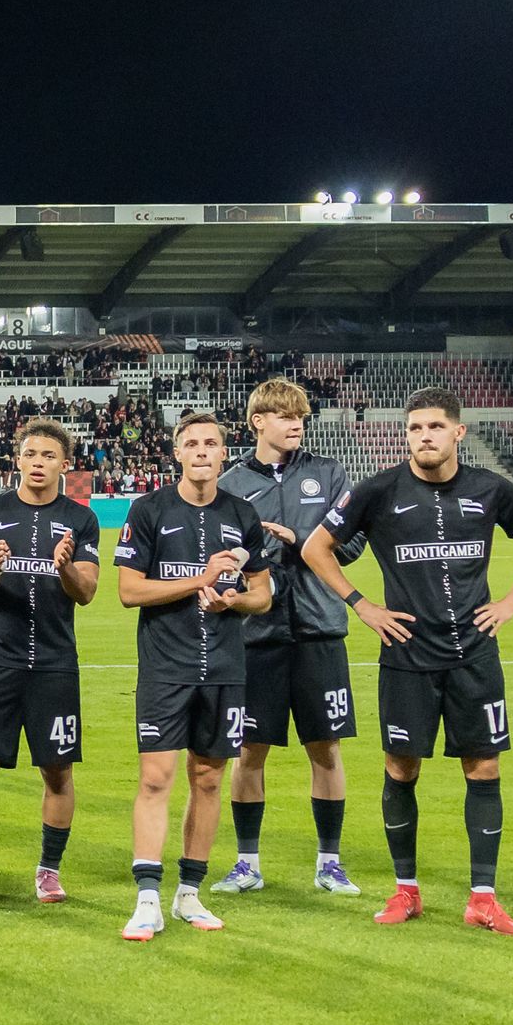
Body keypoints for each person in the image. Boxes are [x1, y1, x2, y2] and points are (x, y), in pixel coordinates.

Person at [297, 390, 513, 934]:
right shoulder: (378, 490)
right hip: (406, 655)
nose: (424, 436)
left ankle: (483, 898)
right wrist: (362, 605)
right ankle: (406, 890)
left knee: (483, 768)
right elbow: (315, 548)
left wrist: (511, 603)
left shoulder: (491, 489)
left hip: (474, 655)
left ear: (458, 432)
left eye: (435, 427)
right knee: (401, 769)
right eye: (415, 428)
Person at [111, 408, 273, 939]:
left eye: (211, 444)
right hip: (166, 668)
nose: (202, 451)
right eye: (192, 444)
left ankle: (189, 894)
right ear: (177, 453)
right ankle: (147, 899)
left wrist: (234, 601)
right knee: (156, 778)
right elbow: (129, 590)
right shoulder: (149, 510)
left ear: (224, 454)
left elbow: (263, 594)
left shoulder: (242, 514)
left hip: (226, 669)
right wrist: (199, 581)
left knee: (208, 779)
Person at [0, 416, 100, 906]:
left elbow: (88, 592)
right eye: (31, 454)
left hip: (55, 662)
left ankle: (49, 871)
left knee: (57, 770)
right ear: (17, 459)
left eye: (49, 456)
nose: (38, 463)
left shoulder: (81, 519)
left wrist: (65, 567)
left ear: (64, 464)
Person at [222, 375, 360, 897]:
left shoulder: (328, 473)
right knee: (249, 751)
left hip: (320, 629)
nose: (296, 424)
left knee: (325, 748)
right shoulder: (231, 484)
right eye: (284, 415)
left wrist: (299, 539)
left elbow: (353, 545)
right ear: (258, 421)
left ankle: (330, 863)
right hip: (256, 635)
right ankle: (246, 864)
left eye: (300, 416)